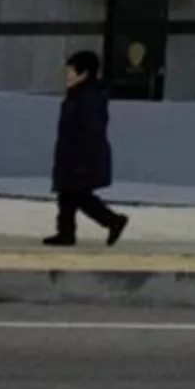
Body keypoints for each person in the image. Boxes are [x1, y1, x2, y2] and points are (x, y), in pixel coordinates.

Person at [44, 51, 128, 248]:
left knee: (78, 195)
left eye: (72, 71)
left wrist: (82, 161)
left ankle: (112, 221)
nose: (68, 76)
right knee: (68, 195)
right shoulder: (78, 95)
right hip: (73, 155)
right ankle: (66, 232)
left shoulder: (88, 98)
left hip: (82, 157)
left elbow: (92, 132)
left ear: (84, 73)